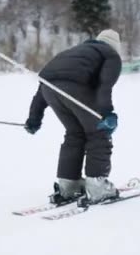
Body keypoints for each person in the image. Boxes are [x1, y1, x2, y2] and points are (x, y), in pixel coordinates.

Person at [24, 29, 122, 207]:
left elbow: (42, 88)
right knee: (98, 133)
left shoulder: (75, 52)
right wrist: (106, 113)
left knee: (75, 133)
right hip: (75, 88)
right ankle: (97, 187)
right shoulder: (111, 55)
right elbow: (104, 86)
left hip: (49, 89)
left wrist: (34, 119)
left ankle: (68, 186)